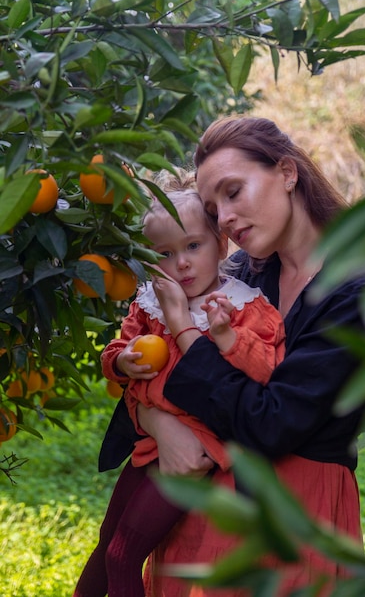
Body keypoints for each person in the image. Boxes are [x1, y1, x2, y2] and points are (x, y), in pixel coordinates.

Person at [98, 116, 365, 597]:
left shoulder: (361, 291)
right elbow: (152, 372)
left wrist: (183, 328)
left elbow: (273, 423)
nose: (225, 220)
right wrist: (162, 426)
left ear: (286, 172)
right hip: (203, 504)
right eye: (213, 209)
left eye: (233, 192)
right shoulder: (236, 275)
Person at [73, 172, 285, 597]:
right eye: (164, 253)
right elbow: (114, 351)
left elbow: (267, 369)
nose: (181, 263)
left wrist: (227, 338)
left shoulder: (241, 307)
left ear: (221, 245)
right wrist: (122, 363)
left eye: (193, 246)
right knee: (106, 543)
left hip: (195, 452)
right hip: (150, 447)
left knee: (123, 554)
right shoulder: (149, 304)